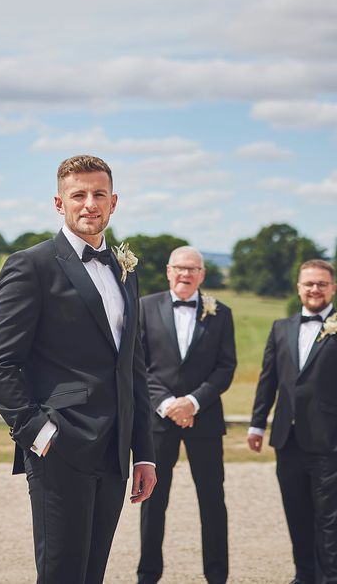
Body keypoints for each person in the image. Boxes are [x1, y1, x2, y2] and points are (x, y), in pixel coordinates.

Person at [0, 154, 157, 584]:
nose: (89, 204)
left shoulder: (125, 270)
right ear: (59, 204)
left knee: (91, 575)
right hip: (60, 446)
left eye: (99, 194)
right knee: (61, 575)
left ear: (114, 203)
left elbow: (132, 367)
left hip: (115, 451)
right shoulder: (32, 265)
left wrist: (145, 452)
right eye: (78, 195)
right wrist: (40, 434)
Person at [247, 259, 337, 584]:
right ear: (298, 288)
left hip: (332, 442)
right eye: (309, 284)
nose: (314, 289)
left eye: (321, 284)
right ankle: (304, 576)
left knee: (327, 518)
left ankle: (328, 579)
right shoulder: (280, 328)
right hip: (286, 439)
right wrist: (257, 424)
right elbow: (268, 380)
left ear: (333, 288)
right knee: (296, 514)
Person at [137, 245, 235, 584]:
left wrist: (192, 402)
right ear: (168, 271)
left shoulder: (220, 312)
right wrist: (166, 404)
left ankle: (217, 576)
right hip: (157, 422)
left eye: (193, 269)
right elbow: (137, 366)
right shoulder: (145, 307)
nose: (186, 274)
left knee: (212, 500)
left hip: (204, 419)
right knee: (153, 501)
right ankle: (148, 575)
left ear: (202, 275)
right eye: (180, 268)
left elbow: (226, 367)